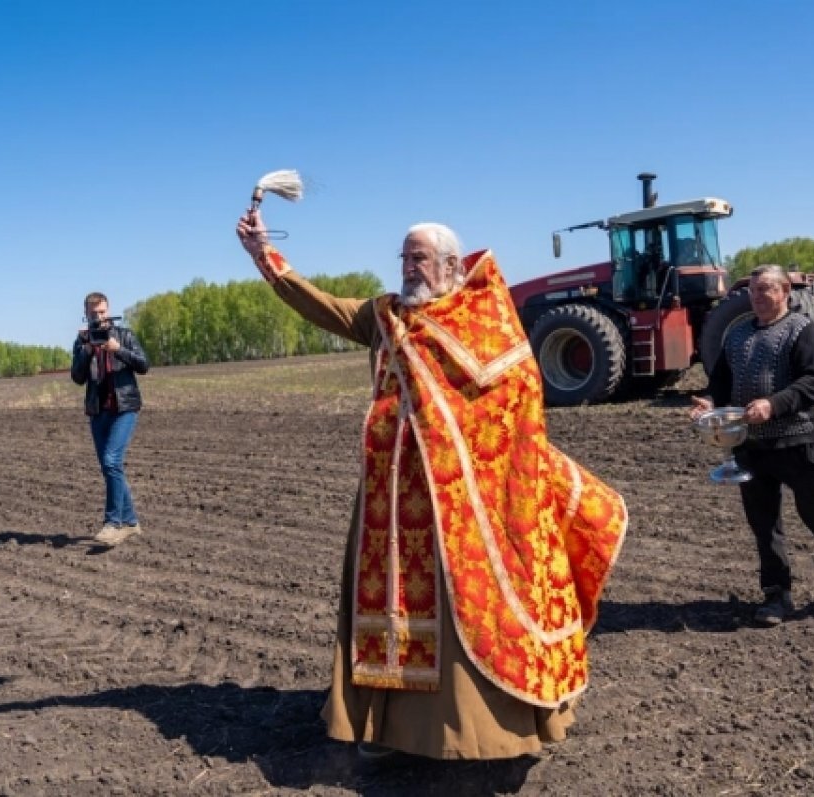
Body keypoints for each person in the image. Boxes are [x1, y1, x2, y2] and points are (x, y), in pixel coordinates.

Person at [235, 209, 628, 760]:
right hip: (392, 499)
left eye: (417, 257)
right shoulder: (384, 315)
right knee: (390, 609)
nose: (407, 268)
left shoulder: (484, 322)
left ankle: (485, 728)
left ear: (450, 265)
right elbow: (320, 306)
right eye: (403, 257)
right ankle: (384, 729)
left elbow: (517, 402)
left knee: (470, 608)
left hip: (468, 504)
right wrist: (264, 258)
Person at [690, 265, 814, 626]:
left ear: (785, 292)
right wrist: (712, 407)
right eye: (754, 290)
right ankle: (777, 595)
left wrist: (773, 404)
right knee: (764, 524)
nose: (758, 297)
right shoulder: (737, 335)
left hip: (797, 441)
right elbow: (722, 383)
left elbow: (812, 384)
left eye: (766, 290)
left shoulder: (803, 331)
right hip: (749, 445)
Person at [71, 292, 150, 546]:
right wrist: (86, 351)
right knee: (110, 468)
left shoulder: (124, 336)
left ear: (109, 311)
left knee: (111, 460)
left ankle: (112, 524)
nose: (99, 318)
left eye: (102, 312)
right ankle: (131, 522)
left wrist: (119, 350)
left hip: (124, 408)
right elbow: (78, 377)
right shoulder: (83, 340)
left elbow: (144, 365)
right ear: (87, 314)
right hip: (98, 411)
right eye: (94, 314)